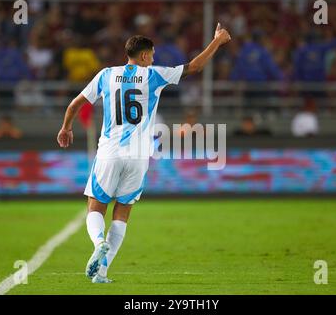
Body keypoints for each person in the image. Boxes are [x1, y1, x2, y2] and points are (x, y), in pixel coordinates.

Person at [57, 23, 231, 283]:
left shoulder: (106, 75)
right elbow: (195, 67)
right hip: (138, 156)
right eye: (152, 55)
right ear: (143, 56)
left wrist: (66, 128)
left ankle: (97, 244)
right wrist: (217, 41)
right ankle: (102, 272)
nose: (154, 59)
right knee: (123, 212)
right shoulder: (154, 75)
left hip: (109, 151)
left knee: (96, 206)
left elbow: (74, 104)